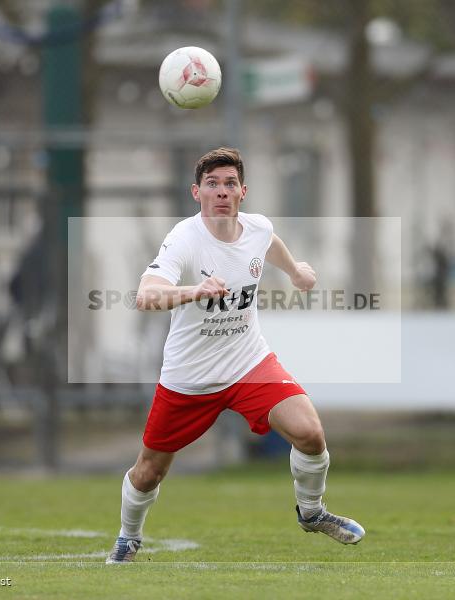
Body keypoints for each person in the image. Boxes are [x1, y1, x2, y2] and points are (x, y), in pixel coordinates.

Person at [106, 148, 364, 563]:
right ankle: (128, 535)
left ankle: (312, 513)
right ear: (197, 192)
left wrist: (296, 270)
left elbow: (269, 244)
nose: (222, 192)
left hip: (248, 363)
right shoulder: (184, 239)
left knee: (310, 433)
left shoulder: (258, 228)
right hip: (189, 376)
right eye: (212, 184)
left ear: (243, 191)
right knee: (149, 470)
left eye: (230, 184)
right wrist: (194, 291)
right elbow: (145, 295)